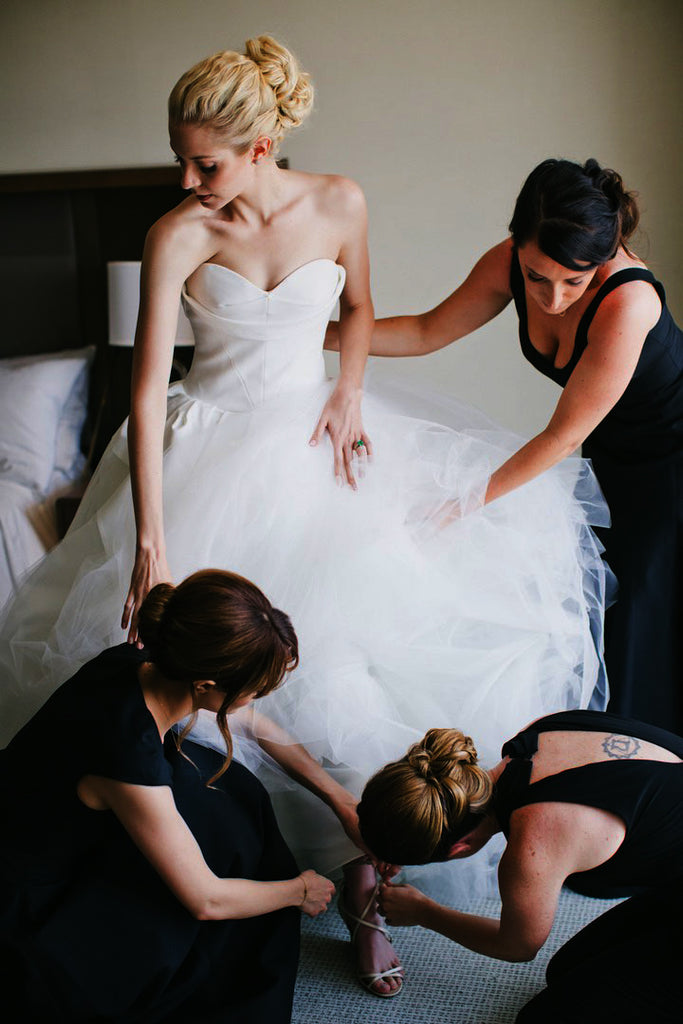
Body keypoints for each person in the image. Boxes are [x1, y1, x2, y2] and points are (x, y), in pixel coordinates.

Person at [0, 39, 610, 996]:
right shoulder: (177, 235)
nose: (187, 178)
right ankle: (203, 863)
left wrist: (351, 391)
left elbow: (361, 306)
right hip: (207, 451)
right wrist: (152, 535)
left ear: (264, 143)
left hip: (319, 442)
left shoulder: (340, 201)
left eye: (205, 160)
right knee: (216, 670)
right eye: (179, 157)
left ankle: (366, 884)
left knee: (358, 665)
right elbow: (148, 380)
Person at [327, 158, 683, 731]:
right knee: (593, 610)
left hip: (671, 466)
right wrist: (310, 335)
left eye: (577, 279)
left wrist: (461, 503)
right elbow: (425, 331)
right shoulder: (509, 262)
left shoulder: (629, 301)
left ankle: (643, 780)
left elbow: (563, 436)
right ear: (517, 244)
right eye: (538, 277)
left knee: (640, 623)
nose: (555, 298)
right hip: (611, 461)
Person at [0, 567, 336, 1024]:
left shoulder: (141, 658)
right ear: (205, 687)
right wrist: (299, 891)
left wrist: (336, 796)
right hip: (30, 893)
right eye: (252, 689)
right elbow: (206, 897)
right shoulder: (128, 754)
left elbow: (249, 722)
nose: (257, 697)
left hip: (45, 802)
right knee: (189, 924)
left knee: (237, 797)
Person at [358, 711, 682, 1022]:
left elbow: (517, 946)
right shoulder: (538, 733)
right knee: (565, 970)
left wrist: (423, 912)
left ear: (460, 846)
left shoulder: (533, 848)